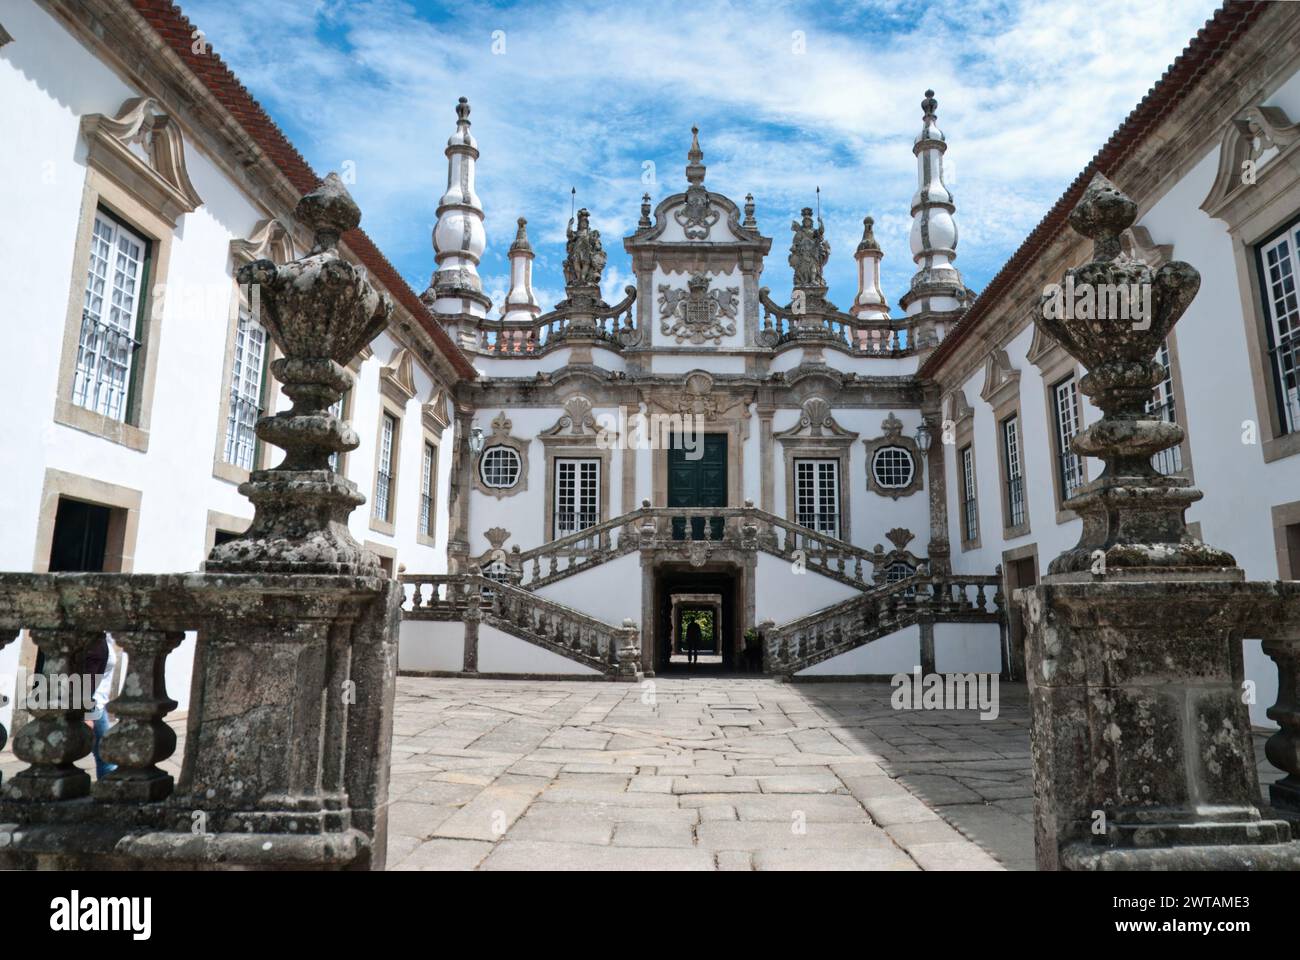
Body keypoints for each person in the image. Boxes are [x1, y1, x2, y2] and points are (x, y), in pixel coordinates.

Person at [84, 633, 118, 780]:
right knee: (106, 755)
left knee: (106, 755)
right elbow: (87, 678)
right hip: (93, 706)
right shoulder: (94, 640)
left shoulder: (108, 637)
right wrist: (87, 714)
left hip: (99, 704)